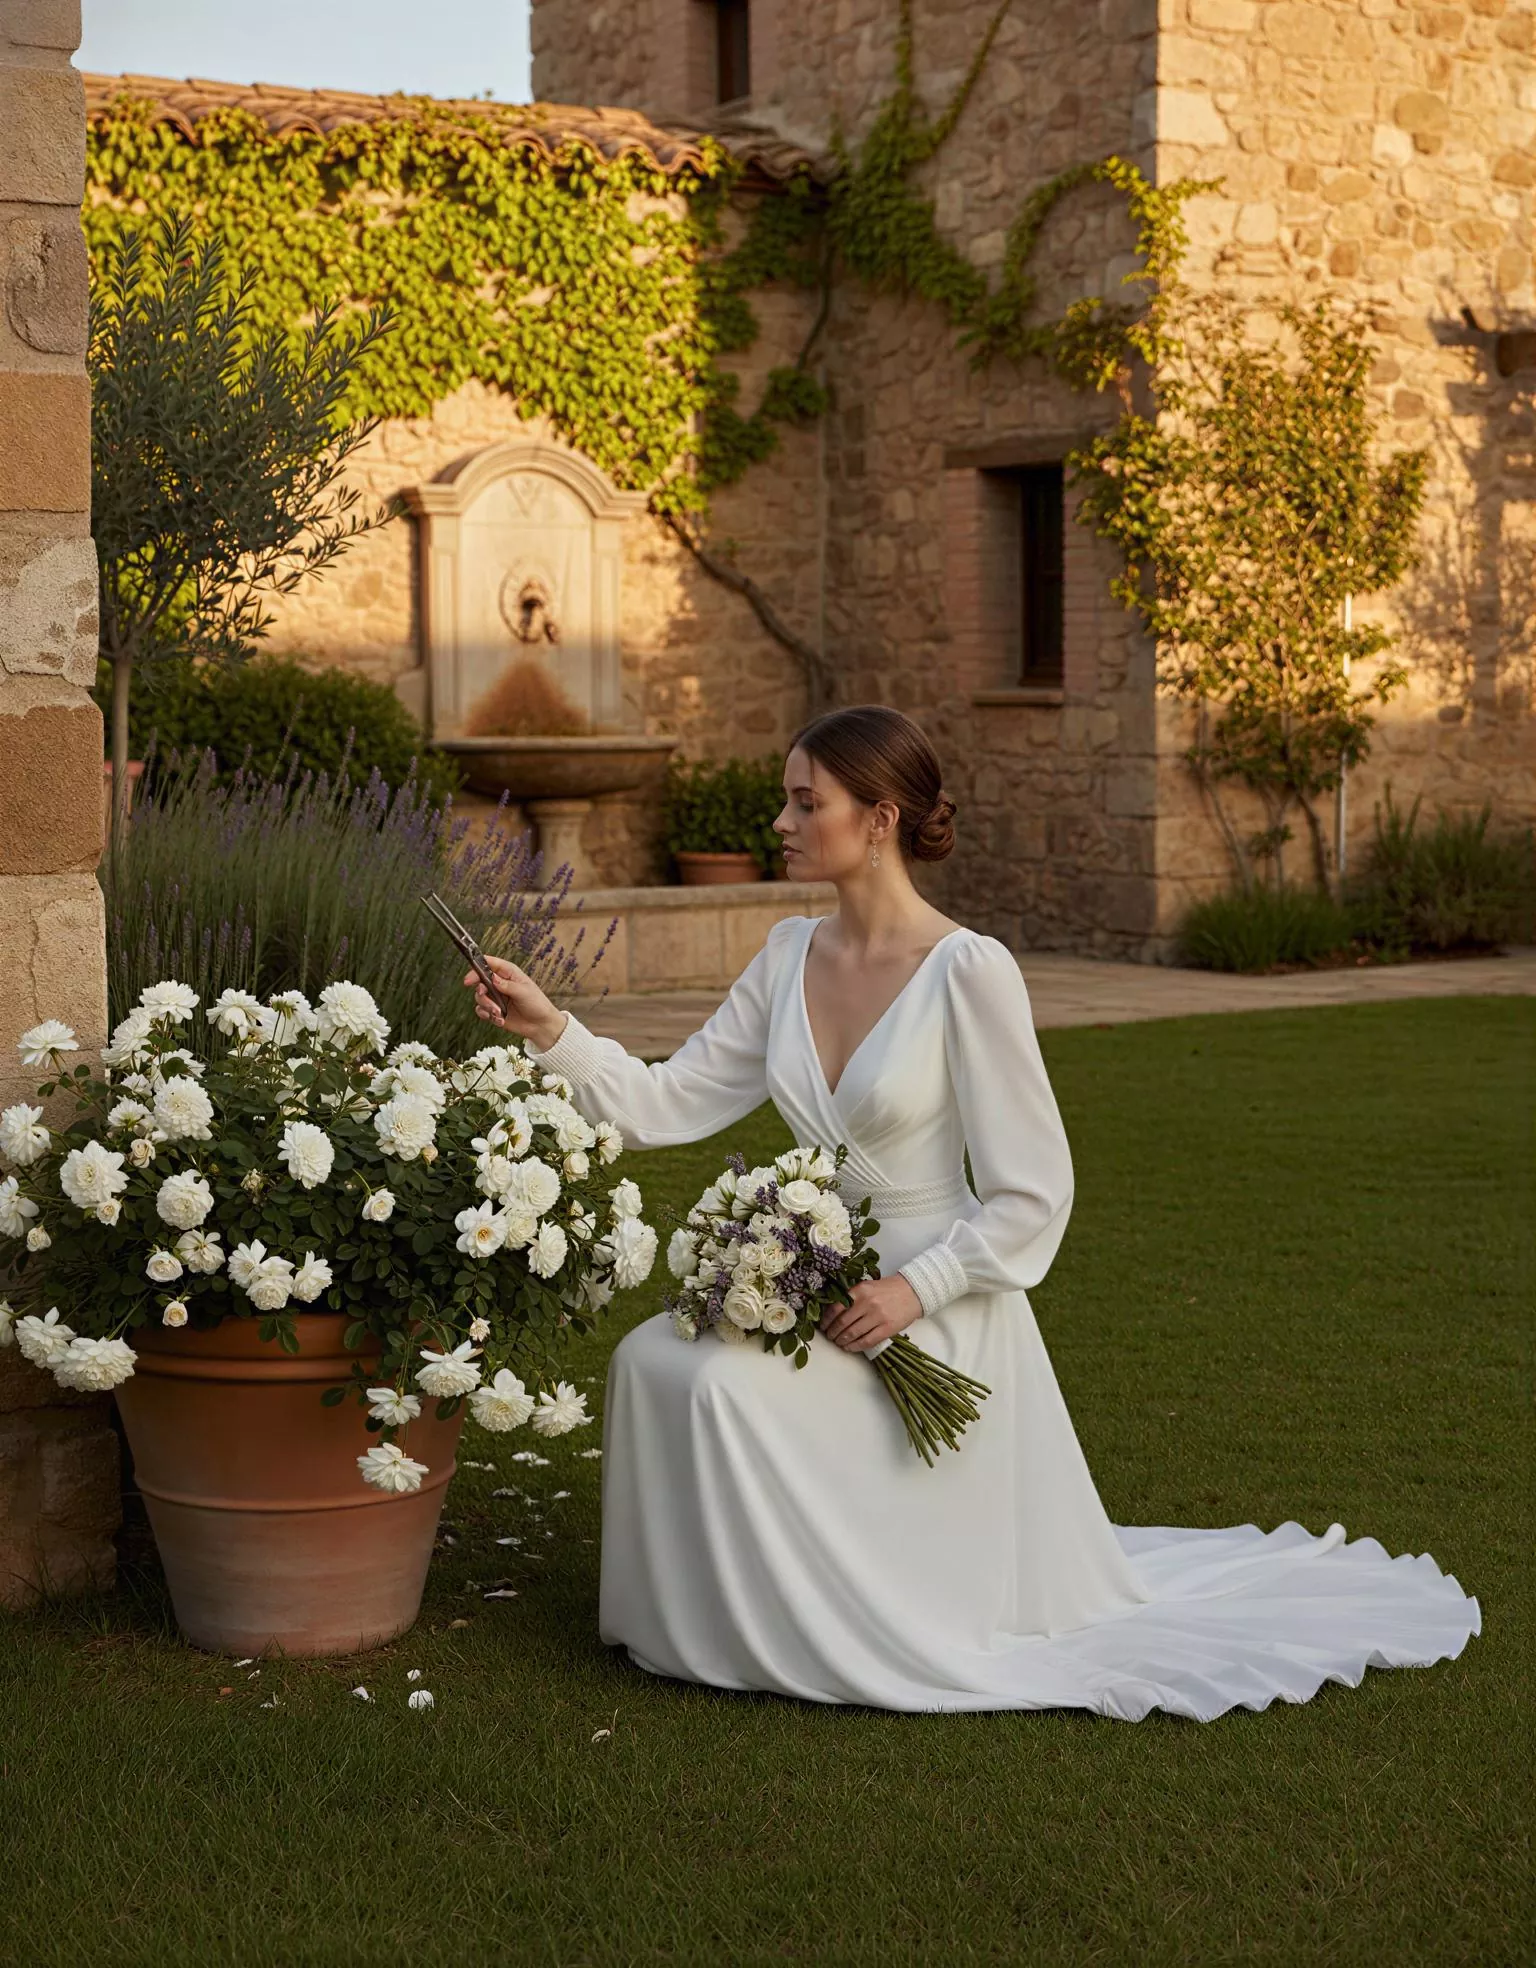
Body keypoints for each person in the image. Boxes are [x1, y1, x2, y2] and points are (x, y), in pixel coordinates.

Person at [464, 704, 1480, 1721]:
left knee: (723, 1391)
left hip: (934, 1298)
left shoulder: (967, 970)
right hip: (818, 1277)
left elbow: (1035, 1189)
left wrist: (917, 1287)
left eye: (803, 800)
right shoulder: (784, 957)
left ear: (879, 817)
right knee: (650, 1359)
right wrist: (555, 1030)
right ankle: (701, 1632)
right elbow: (669, 1101)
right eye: (786, 798)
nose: (780, 819)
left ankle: (828, 1616)